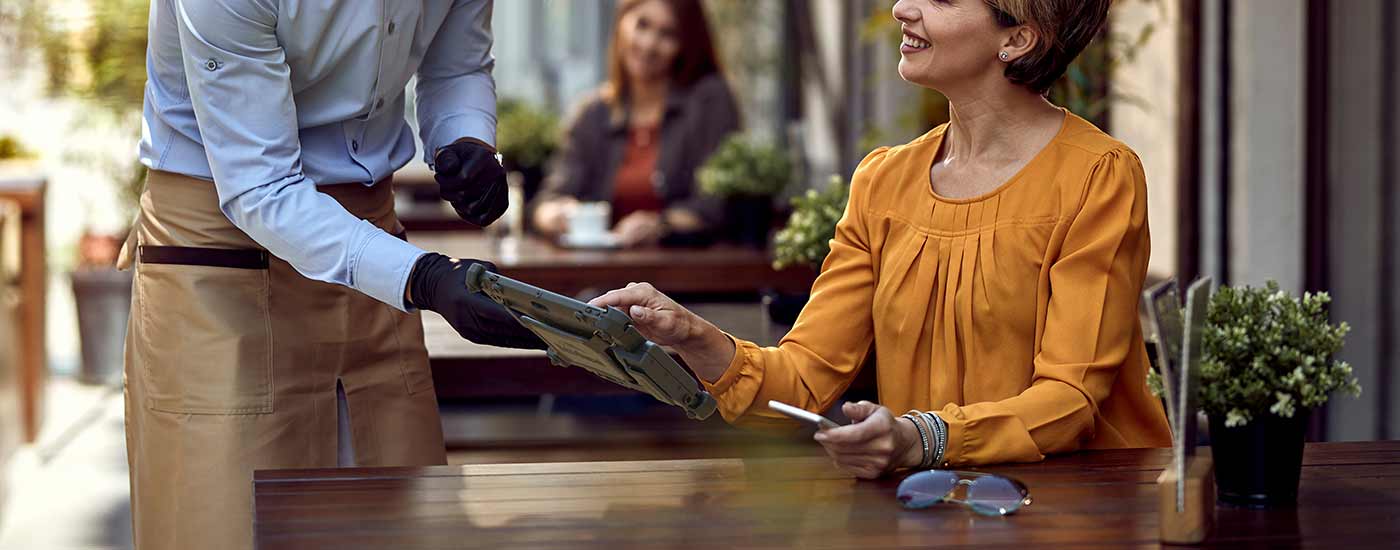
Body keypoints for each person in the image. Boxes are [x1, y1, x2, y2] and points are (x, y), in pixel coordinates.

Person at [591, 0, 1172, 478]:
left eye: (940, 1)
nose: (900, 9)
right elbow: (802, 379)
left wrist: (923, 437)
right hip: (930, 502)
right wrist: (690, 335)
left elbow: (1070, 399)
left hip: (1084, 505)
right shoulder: (883, 181)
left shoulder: (1097, 175)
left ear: (1017, 39)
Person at [122, 2, 543, 549]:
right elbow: (259, 186)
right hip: (219, 251)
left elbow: (457, 66)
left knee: (399, 522)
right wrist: (424, 277)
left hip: (373, 257)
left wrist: (464, 139)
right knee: (228, 526)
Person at [531, 0, 740, 248]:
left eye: (668, 34)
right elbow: (547, 201)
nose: (649, 44)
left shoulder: (709, 100)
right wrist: (554, 214)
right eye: (642, 25)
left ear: (686, 44)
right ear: (621, 23)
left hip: (685, 275)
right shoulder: (592, 113)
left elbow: (715, 205)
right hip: (602, 276)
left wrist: (662, 225)